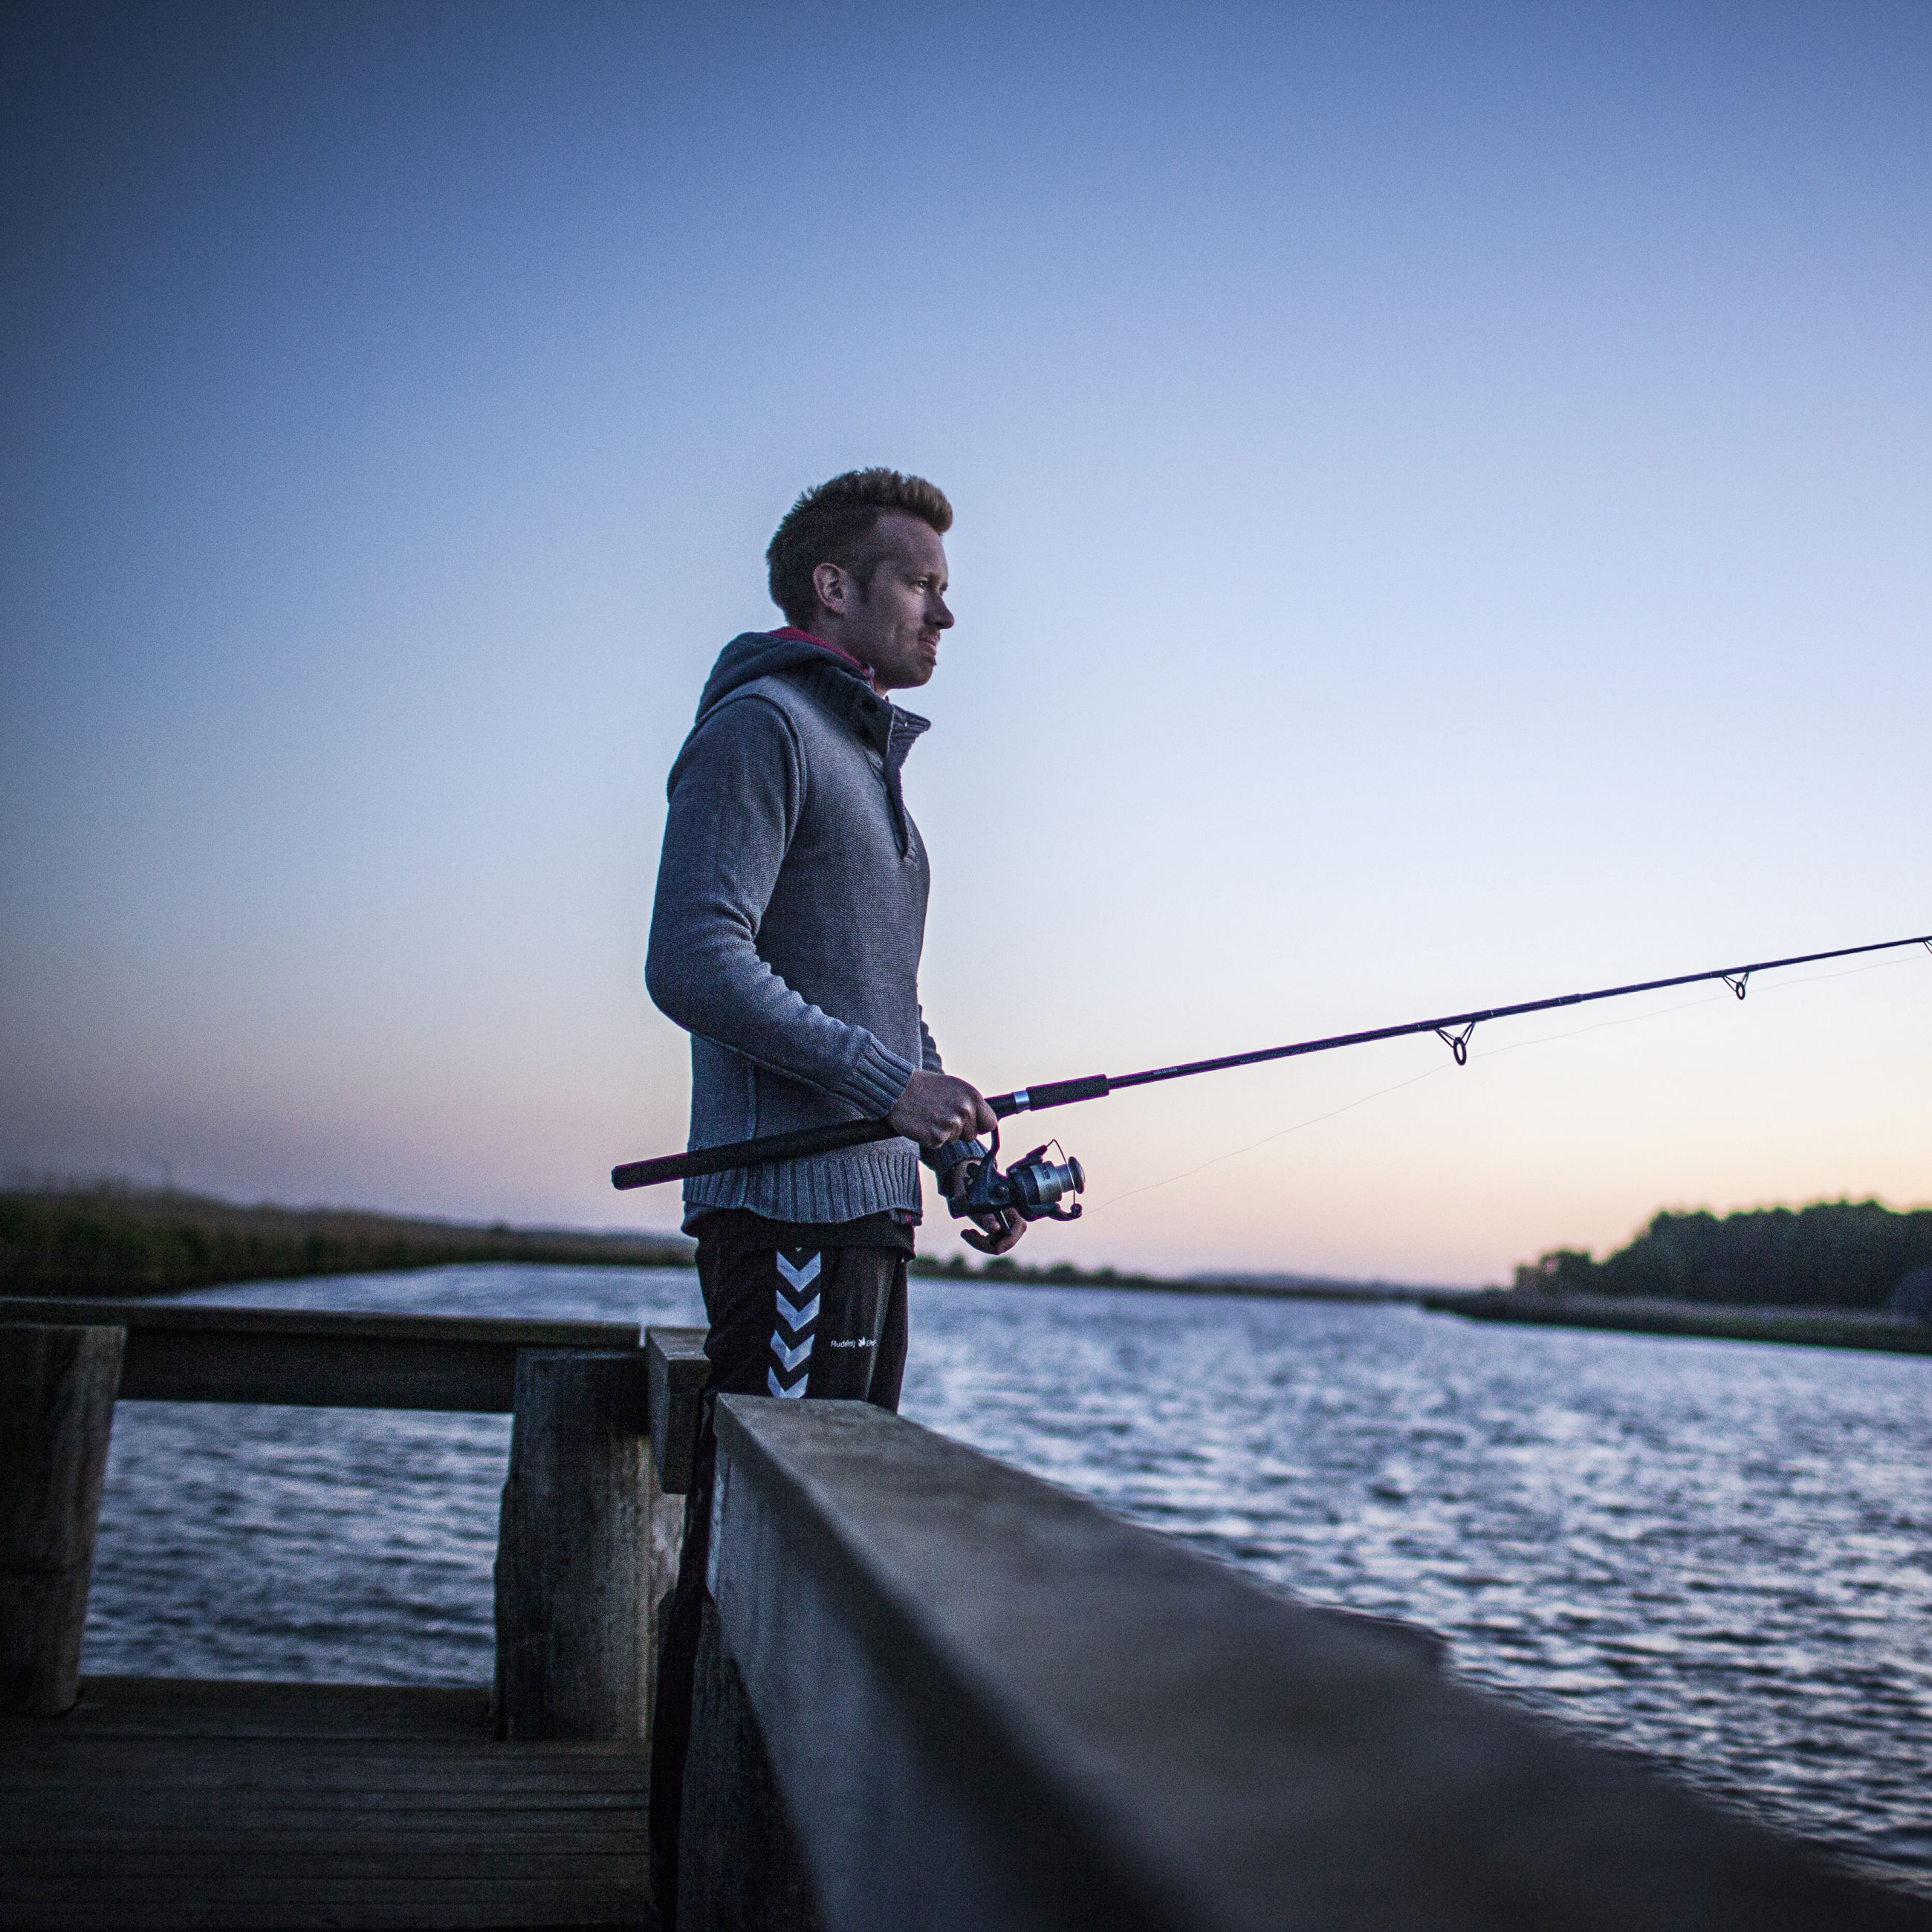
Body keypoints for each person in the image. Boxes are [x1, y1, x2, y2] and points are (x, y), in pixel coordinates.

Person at [643, 467, 1025, 1920]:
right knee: (764, 1568)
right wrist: (883, 1089)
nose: (946, 606)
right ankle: (701, 1890)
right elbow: (694, 958)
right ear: (835, 590)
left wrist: (954, 1150)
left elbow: (885, 1007)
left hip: (866, 1216)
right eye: (920, 580)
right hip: (789, 1227)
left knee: (832, 1550)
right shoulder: (761, 731)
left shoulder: (869, 767)